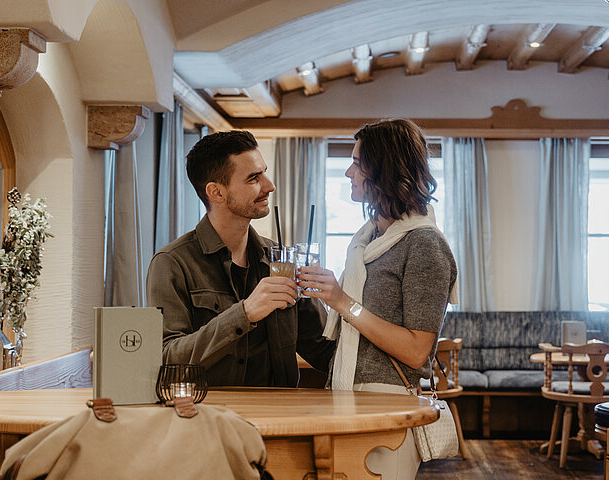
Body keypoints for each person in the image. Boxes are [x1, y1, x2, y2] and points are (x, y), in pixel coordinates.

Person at [297, 118, 458, 479]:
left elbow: (418, 351)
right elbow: (361, 325)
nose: (348, 172)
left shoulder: (424, 245)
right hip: (346, 395)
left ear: (384, 170)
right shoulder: (366, 240)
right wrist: (322, 297)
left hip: (389, 405)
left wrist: (342, 302)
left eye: (357, 162)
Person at [147, 130, 335, 387]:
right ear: (216, 192)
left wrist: (341, 303)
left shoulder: (282, 262)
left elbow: (324, 352)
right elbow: (167, 358)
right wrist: (243, 314)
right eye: (253, 178)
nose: (270, 186)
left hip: (282, 420)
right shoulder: (172, 263)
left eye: (264, 173)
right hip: (208, 419)